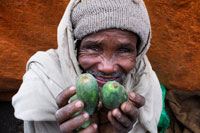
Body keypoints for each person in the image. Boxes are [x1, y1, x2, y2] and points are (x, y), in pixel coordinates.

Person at [12, 0, 162, 132]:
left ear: (139, 52)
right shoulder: (43, 78)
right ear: (74, 47)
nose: (107, 67)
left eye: (123, 50)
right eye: (94, 48)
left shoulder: (146, 81)